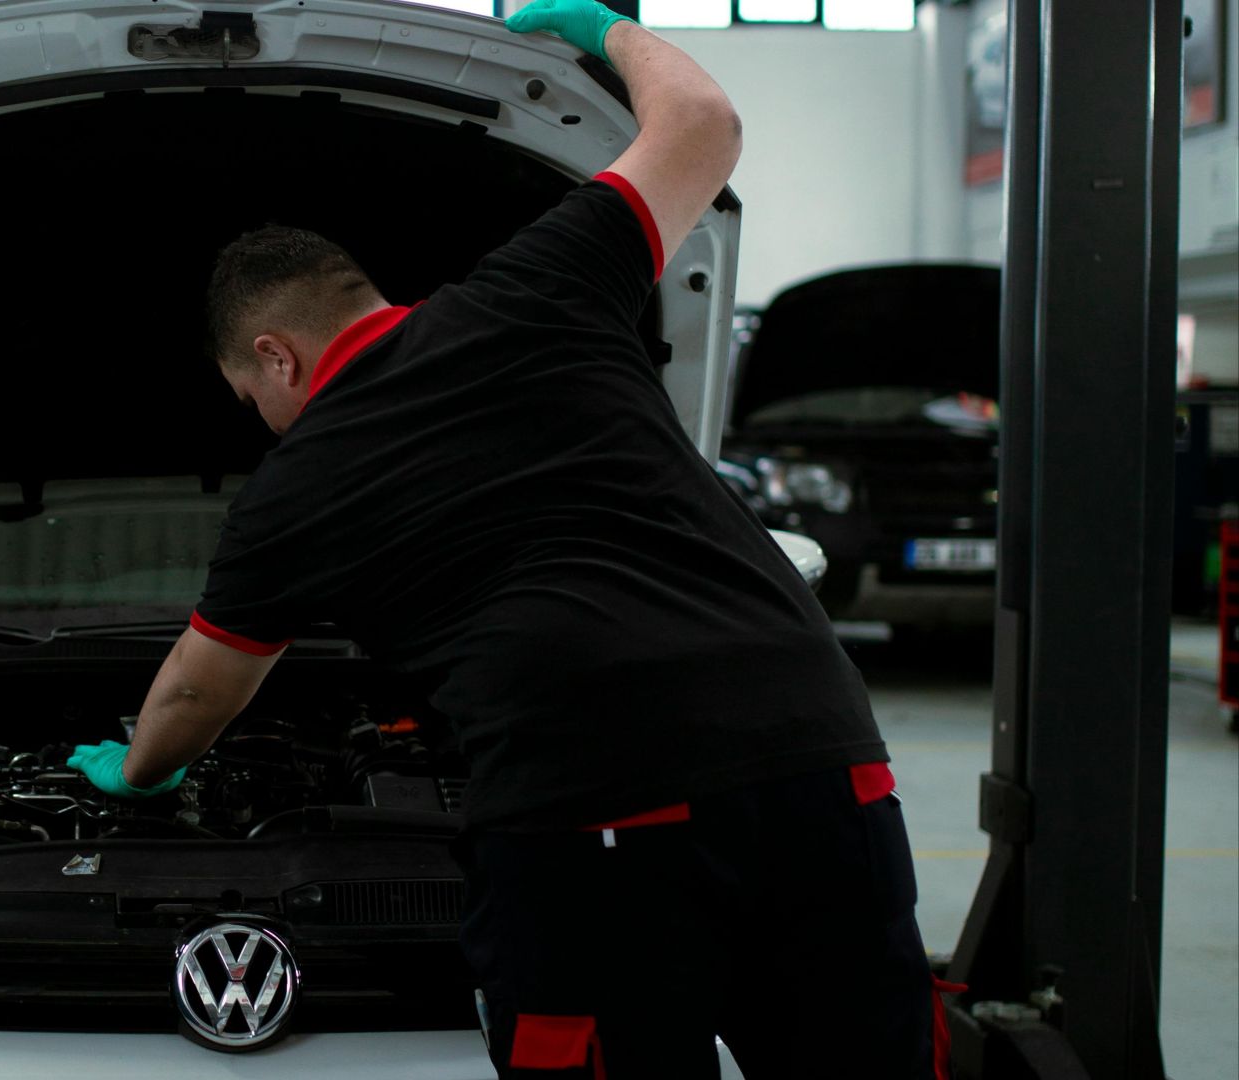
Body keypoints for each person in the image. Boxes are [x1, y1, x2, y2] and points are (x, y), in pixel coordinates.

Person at [67, 2, 950, 1076]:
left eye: (249, 395)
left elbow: (197, 695)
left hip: (594, 816)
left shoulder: (296, 487)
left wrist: (141, 774)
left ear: (277, 356)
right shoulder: (542, 284)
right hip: (820, 761)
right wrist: (605, 29)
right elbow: (706, 122)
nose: (261, 419)